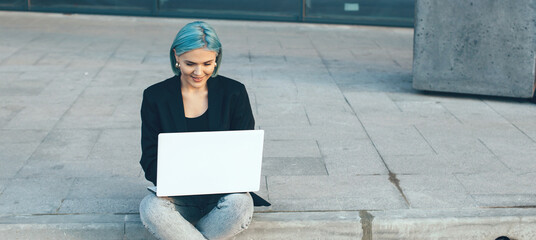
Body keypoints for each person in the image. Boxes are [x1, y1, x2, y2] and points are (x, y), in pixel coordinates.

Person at [138, 21, 269, 240]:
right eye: (190, 64)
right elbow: (149, 159)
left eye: (207, 63)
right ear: (176, 57)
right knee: (151, 208)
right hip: (177, 196)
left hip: (222, 196)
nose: (199, 72)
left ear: (217, 58)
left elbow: (244, 153)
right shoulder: (155, 96)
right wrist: (173, 180)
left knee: (241, 204)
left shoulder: (234, 93)